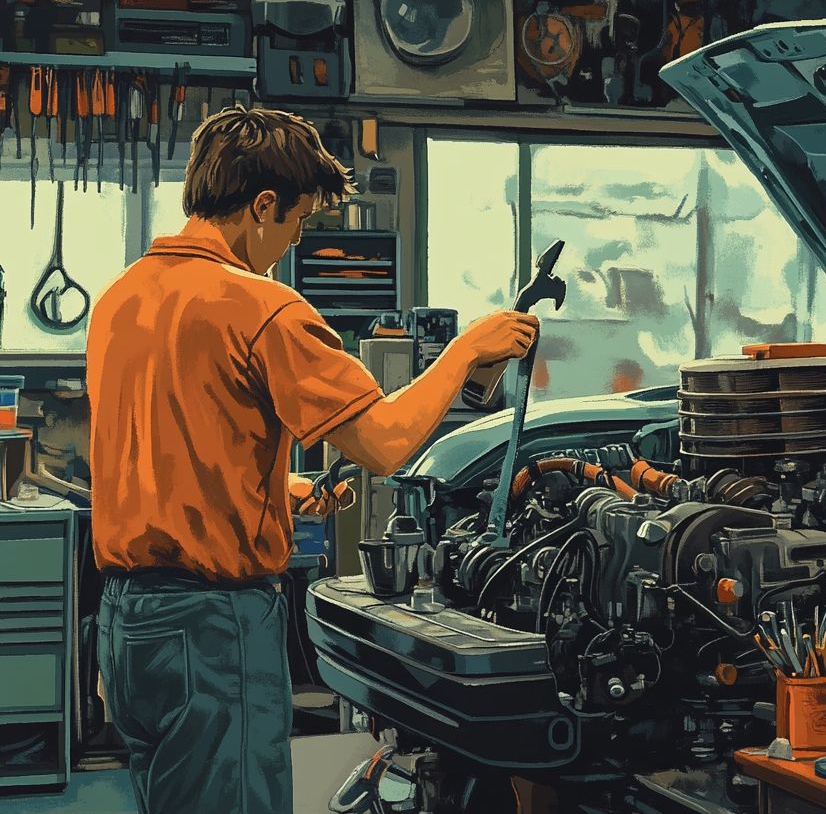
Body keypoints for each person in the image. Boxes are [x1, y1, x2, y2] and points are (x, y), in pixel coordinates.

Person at [85, 105, 537, 814]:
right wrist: (465, 351)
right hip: (214, 626)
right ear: (263, 206)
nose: (294, 240)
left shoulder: (121, 298)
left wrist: (273, 485)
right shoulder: (260, 306)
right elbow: (383, 444)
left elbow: (161, 440)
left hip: (127, 625)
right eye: (296, 222)